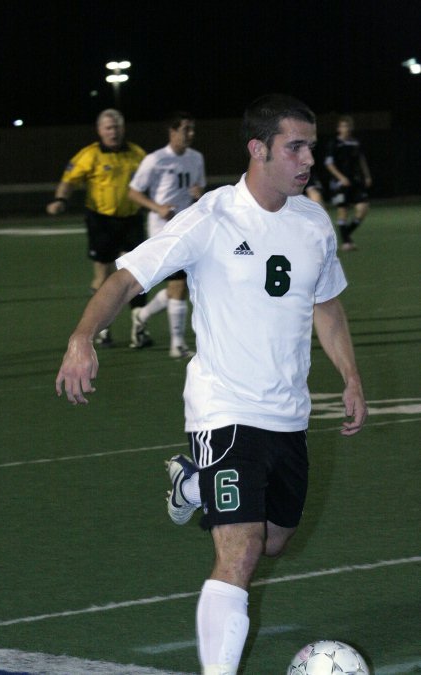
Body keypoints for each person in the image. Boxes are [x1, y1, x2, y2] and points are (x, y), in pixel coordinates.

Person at [55, 93, 367, 675]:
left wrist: (350, 375)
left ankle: (194, 483)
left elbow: (326, 305)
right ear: (258, 149)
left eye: (311, 147)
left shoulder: (314, 222)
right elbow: (126, 279)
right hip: (222, 410)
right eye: (295, 147)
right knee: (242, 550)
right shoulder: (211, 217)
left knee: (275, 540)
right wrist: (82, 338)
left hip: (288, 415)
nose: (307, 159)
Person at [46, 108, 150, 347]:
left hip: (132, 220)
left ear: (123, 129)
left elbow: (153, 179)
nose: (113, 132)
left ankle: (139, 329)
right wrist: (60, 200)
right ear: (100, 130)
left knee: (139, 274)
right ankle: (102, 329)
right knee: (102, 275)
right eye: (108, 128)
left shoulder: (137, 154)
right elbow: (68, 181)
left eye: (117, 127)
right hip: (101, 221)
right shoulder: (90, 155)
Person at [127, 111, 206, 358]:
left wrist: (198, 194)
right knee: (180, 284)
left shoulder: (196, 158)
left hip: (188, 227)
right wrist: (158, 207)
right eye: (186, 130)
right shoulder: (155, 159)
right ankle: (178, 345)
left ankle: (142, 315)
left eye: (192, 129)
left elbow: (199, 188)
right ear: (172, 132)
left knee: (179, 288)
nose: (190, 134)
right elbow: (133, 192)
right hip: (162, 231)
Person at [324, 114, 372, 252]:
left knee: (363, 208)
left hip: (355, 181)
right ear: (339, 128)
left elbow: (361, 160)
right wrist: (341, 178)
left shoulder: (355, 143)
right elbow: (329, 164)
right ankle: (346, 242)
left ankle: (346, 233)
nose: (346, 129)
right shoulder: (334, 144)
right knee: (343, 210)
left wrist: (367, 176)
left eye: (348, 126)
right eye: (344, 126)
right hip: (339, 183)